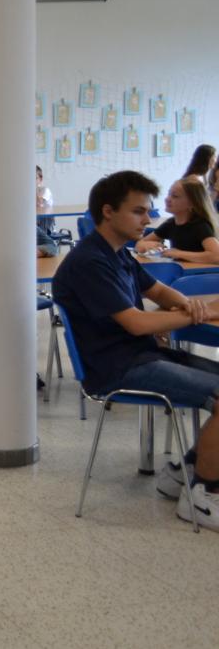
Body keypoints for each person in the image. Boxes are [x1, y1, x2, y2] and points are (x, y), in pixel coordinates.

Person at [52, 170, 219, 532]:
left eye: (148, 210)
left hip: (140, 356)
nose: (148, 219)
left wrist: (189, 305)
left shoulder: (118, 254)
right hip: (116, 368)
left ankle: (184, 473)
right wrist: (195, 314)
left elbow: (158, 291)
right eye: (139, 211)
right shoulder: (90, 261)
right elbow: (137, 324)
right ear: (108, 211)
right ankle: (204, 495)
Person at [134, 178, 219, 263]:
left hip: (201, 270)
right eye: (169, 194)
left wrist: (179, 254)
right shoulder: (171, 223)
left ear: (192, 203)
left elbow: (216, 256)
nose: (167, 199)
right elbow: (140, 244)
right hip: (183, 268)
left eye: (175, 196)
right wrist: (144, 245)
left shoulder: (200, 226)